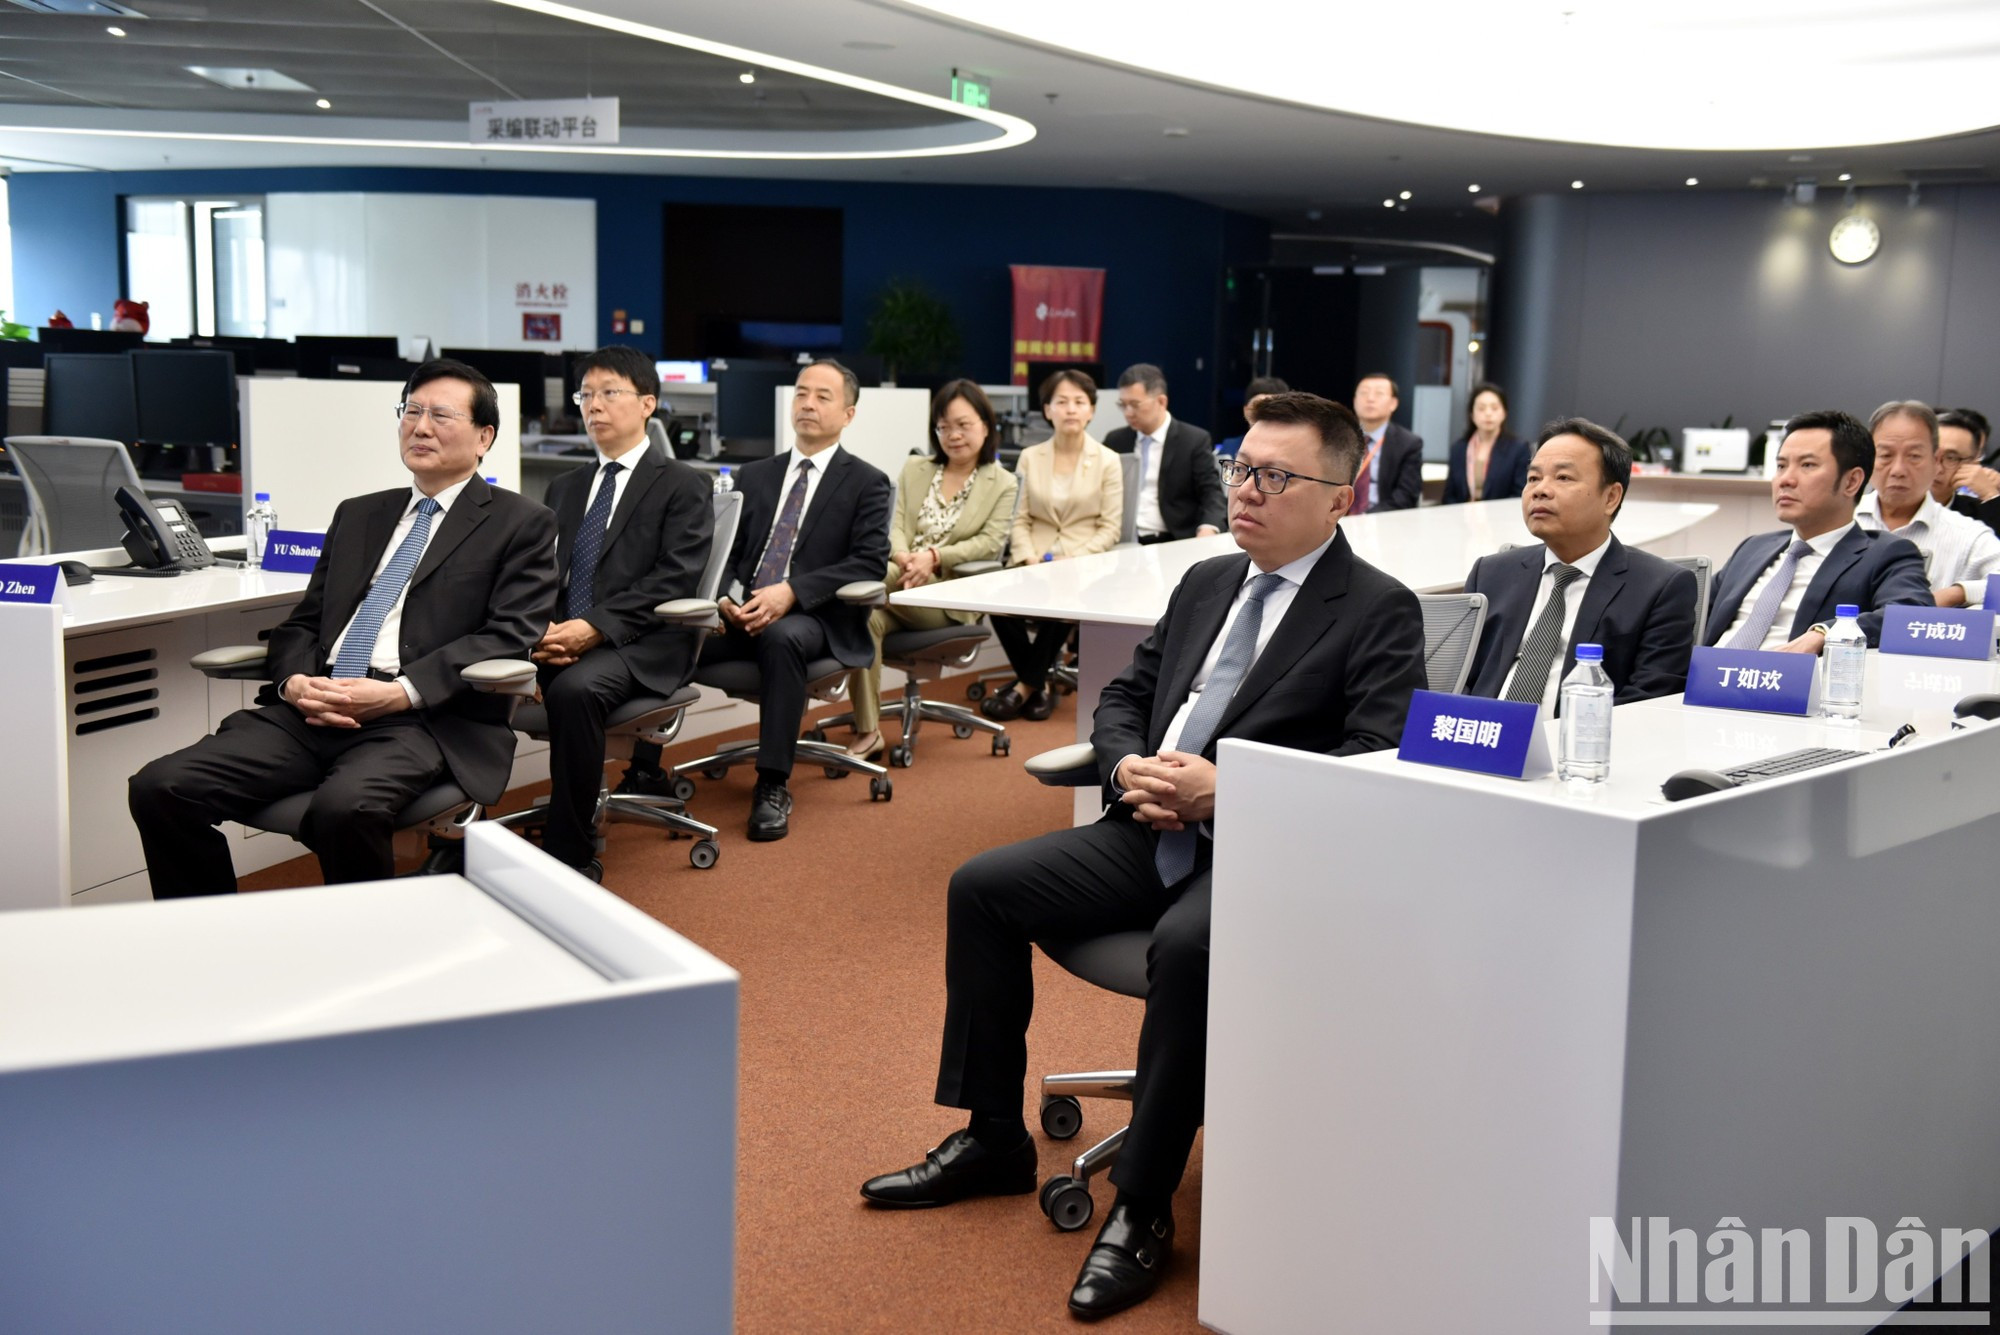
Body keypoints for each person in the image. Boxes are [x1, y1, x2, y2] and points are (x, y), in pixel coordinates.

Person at [860, 391, 1427, 1321]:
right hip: (1147, 827)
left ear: (1341, 496)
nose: (1246, 490)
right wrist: (1126, 762)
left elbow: (1373, 760)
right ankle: (995, 1134)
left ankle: (1144, 1204)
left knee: (1190, 948)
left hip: (1267, 854)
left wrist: (1226, 789)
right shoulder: (1208, 579)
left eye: (1275, 477)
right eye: (1241, 469)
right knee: (984, 887)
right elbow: (1122, 693)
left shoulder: (1376, 609)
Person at [127, 359, 560, 896]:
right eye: (412, 411)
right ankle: (209, 931)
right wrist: (295, 684)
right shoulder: (359, 514)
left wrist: (399, 694)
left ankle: (361, 953)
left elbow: (507, 635)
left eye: (441, 415)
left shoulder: (521, 522)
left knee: (344, 808)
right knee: (161, 787)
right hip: (315, 707)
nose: (420, 427)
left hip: (423, 721)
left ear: (483, 437)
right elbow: (304, 623)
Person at [677, 359, 892, 841]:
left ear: (849, 414)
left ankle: (772, 784)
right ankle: (644, 767)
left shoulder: (867, 482)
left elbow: (869, 563)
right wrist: (726, 597)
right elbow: (725, 552)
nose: (808, 404)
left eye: (822, 396)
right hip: (742, 612)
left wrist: (793, 591)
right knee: (674, 634)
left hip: (818, 617)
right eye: (801, 394)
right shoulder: (754, 475)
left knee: (781, 636)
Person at [532, 346, 714, 878]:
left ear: (647, 404)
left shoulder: (682, 484)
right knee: (468, 665)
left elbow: (674, 578)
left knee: (574, 690)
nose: (594, 405)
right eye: (585, 394)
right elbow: (543, 573)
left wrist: (592, 628)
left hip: (645, 642)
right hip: (566, 634)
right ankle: (458, 834)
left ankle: (569, 849)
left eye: (610, 392)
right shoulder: (564, 487)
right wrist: (538, 628)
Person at [1463, 418, 1698, 708]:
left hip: (1575, 744)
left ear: (1611, 497)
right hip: (1480, 737)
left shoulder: (1661, 587)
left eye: (1563, 478)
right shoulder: (1490, 573)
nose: (1540, 490)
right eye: (1533, 478)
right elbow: (1459, 681)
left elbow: (1650, 702)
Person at [842, 380, 1018, 759]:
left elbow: (989, 543)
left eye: (962, 424)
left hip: (948, 599)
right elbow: (897, 526)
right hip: (901, 581)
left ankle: (824, 599)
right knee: (864, 618)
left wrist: (933, 558)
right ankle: (868, 730)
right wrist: (906, 557)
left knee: (864, 586)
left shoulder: (1002, 482)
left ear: (986, 426)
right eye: (943, 426)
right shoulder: (916, 468)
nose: (952, 435)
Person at [1704, 409, 1932, 651]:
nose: (1785, 479)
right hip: (1698, 682)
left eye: (1807, 465)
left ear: (1851, 481)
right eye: (1781, 466)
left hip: (1782, 682)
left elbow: (1911, 616)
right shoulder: (1753, 548)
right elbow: (1687, 613)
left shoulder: (1887, 554)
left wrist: (1825, 634)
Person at [982, 368, 1124, 723]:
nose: (1071, 409)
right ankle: (1038, 681)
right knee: (993, 598)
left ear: (1091, 410)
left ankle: (1025, 686)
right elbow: (1020, 518)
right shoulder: (1031, 456)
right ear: (1047, 410)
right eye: (1062, 402)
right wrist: (1028, 556)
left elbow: (1110, 528)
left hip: (1085, 565)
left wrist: (1073, 560)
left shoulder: (1108, 459)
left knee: (1065, 597)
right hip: (1034, 558)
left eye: (1079, 402)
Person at [1856, 400, 2000, 609]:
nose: (1898, 470)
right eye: (1886, 455)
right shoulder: (1836, 520)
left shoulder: (1969, 535)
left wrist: (1958, 593)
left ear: (1935, 461)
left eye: (1914, 456)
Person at [1103, 362, 1224, 542]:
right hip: (1121, 538)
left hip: (1171, 539)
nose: (1128, 413)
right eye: (1123, 405)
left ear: (1161, 402)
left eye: (1135, 404)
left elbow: (1211, 494)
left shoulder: (1193, 440)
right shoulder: (1116, 441)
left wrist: (1208, 529)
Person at [1440, 381, 1532, 504]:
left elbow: (1519, 494)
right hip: (1461, 518)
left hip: (1501, 519)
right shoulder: (1458, 449)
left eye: (1494, 408)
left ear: (1504, 413)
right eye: (1481, 408)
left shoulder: (1519, 449)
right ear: (1472, 414)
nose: (1488, 414)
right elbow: (1449, 496)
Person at [1349, 371, 1424, 513]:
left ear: (1393, 403)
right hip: (1339, 519)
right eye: (1364, 393)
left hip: (1383, 520)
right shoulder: (1339, 438)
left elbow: (1406, 496)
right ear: (1354, 401)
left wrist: (1366, 518)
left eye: (1379, 394)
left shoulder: (1409, 443)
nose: (1370, 399)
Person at [1936, 408, 2000, 536]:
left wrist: (1990, 495)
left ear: (1972, 465)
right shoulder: (1887, 502)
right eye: (1931, 453)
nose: (1938, 468)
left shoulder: (1977, 515)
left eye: (1951, 458)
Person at [1213, 375, 1288, 458]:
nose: (1264, 414)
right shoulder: (1229, 447)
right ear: (1246, 410)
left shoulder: (1293, 449)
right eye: (1258, 407)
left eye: (1272, 407)